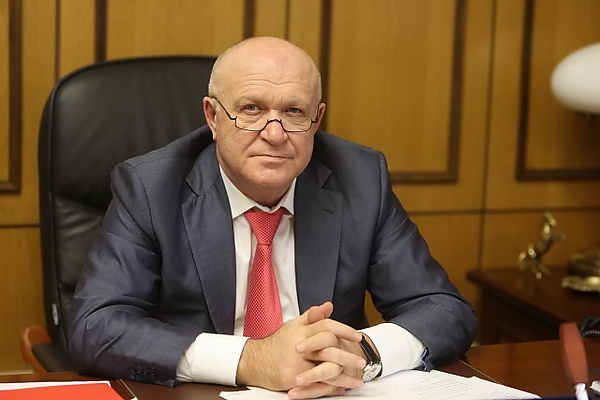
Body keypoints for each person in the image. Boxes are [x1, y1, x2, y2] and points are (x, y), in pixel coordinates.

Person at [68, 36, 477, 399]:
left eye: (294, 112)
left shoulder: (361, 179)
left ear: (316, 120)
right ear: (212, 117)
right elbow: (96, 327)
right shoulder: (151, 187)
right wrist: (252, 359)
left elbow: (443, 308)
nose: (275, 133)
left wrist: (361, 353)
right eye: (251, 109)